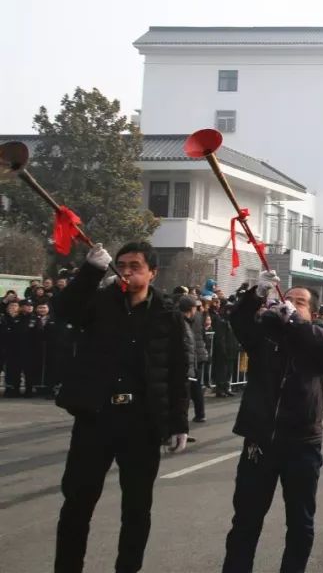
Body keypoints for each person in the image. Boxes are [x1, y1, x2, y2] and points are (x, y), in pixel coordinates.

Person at [52, 242, 190, 573]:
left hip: (141, 423)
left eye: (135, 266)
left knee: (137, 509)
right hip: (95, 418)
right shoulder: (99, 303)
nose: (126, 271)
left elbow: (177, 372)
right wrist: (91, 270)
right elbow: (66, 310)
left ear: (152, 272)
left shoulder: (166, 315)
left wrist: (178, 423)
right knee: (77, 504)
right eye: (122, 265)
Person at [221, 271, 323, 573]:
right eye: (288, 299)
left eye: (300, 303)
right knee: (245, 521)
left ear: (312, 312)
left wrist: (297, 323)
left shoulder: (319, 338)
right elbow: (239, 321)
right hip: (259, 443)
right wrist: (256, 294)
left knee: (300, 524)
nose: (292, 305)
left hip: (302, 445)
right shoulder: (265, 335)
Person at [177, 296, 207, 424]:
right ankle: (197, 415)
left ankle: (185, 423)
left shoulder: (186, 320)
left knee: (189, 391)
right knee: (190, 391)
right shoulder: (183, 322)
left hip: (193, 358)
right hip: (190, 360)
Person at [209, 297, 239, 397]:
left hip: (232, 349)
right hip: (224, 350)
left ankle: (226, 387)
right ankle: (220, 389)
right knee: (222, 370)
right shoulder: (221, 321)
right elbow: (220, 337)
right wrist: (223, 349)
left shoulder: (232, 321)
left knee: (229, 370)